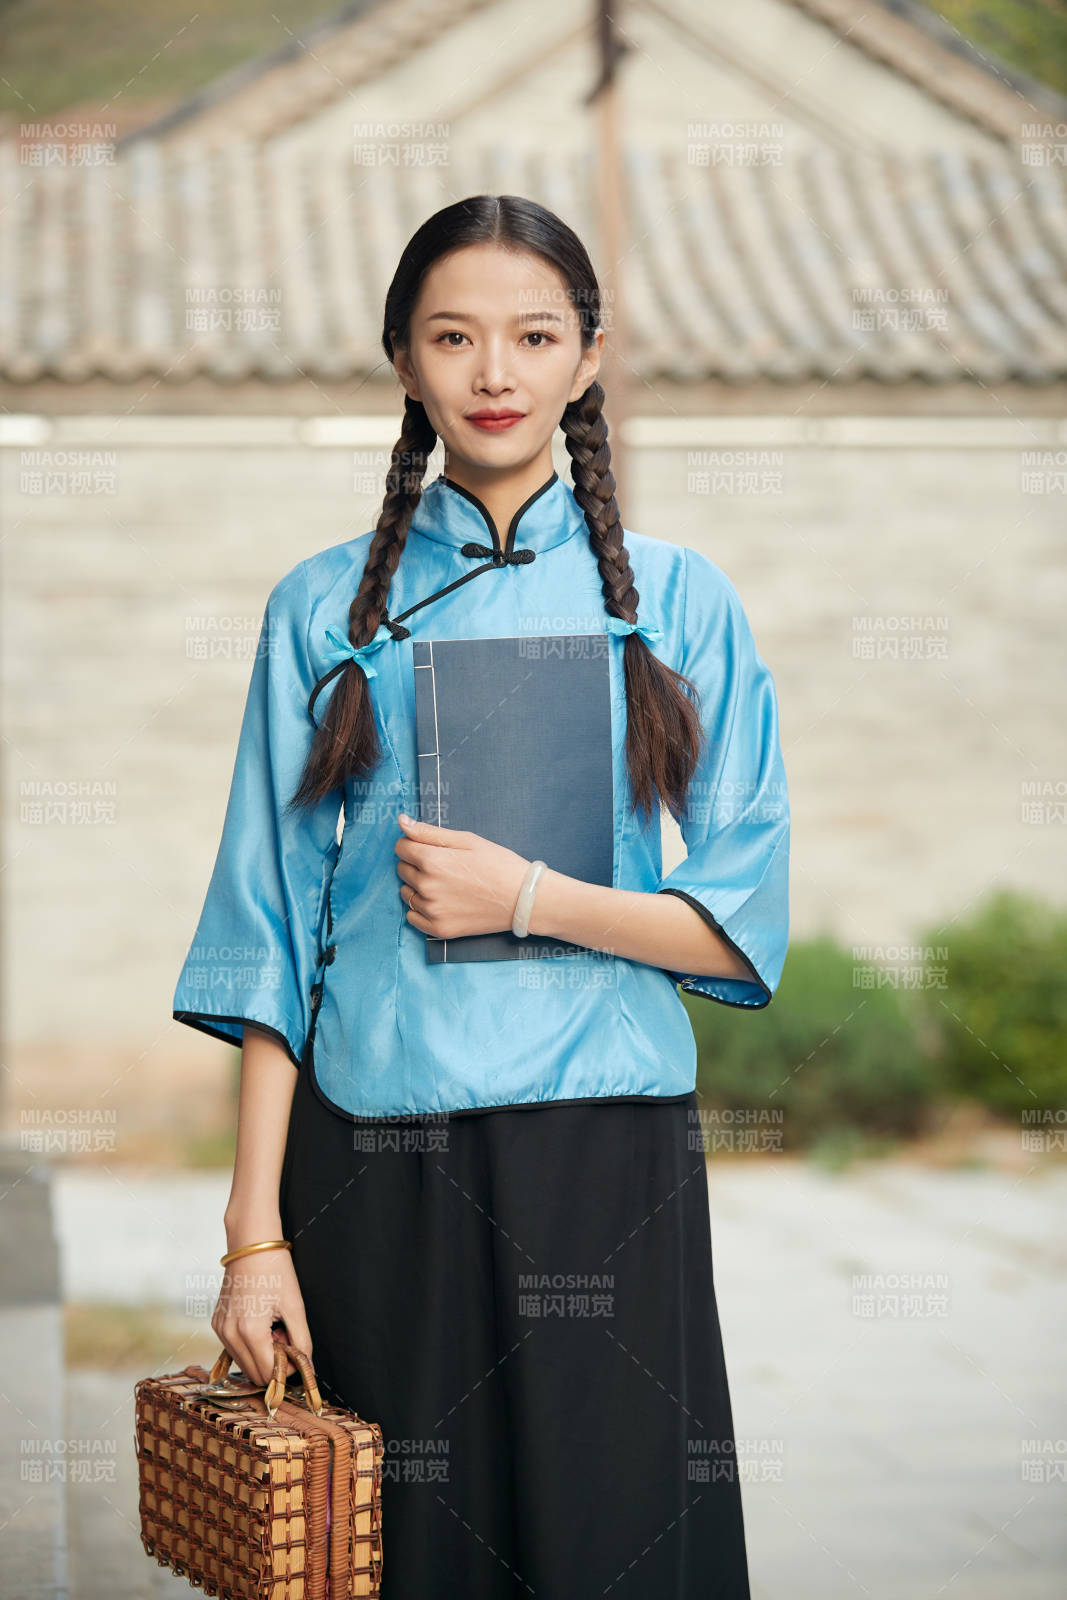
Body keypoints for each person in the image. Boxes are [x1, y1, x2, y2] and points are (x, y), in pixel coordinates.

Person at [172, 193, 789, 1598]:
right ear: (402, 357)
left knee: (613, 1545)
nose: (494, 373)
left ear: (588, 357)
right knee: (410, 1560)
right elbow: (270, 937)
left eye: (534, 336)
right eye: (453, 337)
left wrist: (528, 896)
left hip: (604, 1151)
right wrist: (253, 1236)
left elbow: (736, 923)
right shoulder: (320, 610)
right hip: (378, 1155)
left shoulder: (681, 604)